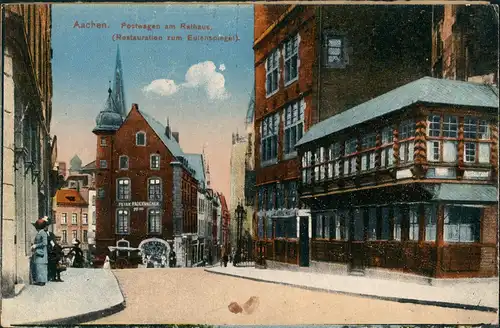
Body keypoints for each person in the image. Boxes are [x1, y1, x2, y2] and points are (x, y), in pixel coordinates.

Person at [31, 218, 49, 286]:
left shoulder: (43, 233)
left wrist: (36, 245)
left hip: (41, 253)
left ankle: (41, 281)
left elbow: (45, 243)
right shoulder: (40, 233)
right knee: (39, 267)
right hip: (39, 252)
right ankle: (40, 280)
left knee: (40, 266)